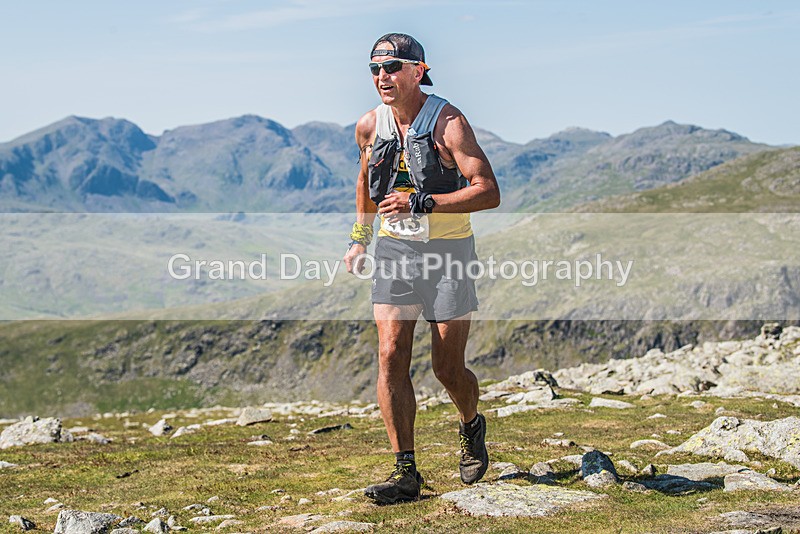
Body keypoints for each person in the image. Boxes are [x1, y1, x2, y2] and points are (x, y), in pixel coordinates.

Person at [343, 33, 501, 504]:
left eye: (392, 68)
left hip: (448, 255)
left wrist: (423, 202)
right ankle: (405, 472)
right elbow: (366, 182)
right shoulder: (369, 126)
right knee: (391, 354)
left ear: (419, 70)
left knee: (447, 369)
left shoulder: (448, 124)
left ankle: (471, 426)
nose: (382, 77)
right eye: (374, 69)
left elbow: (488, 191)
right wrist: (359, 237)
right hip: (395, 253)